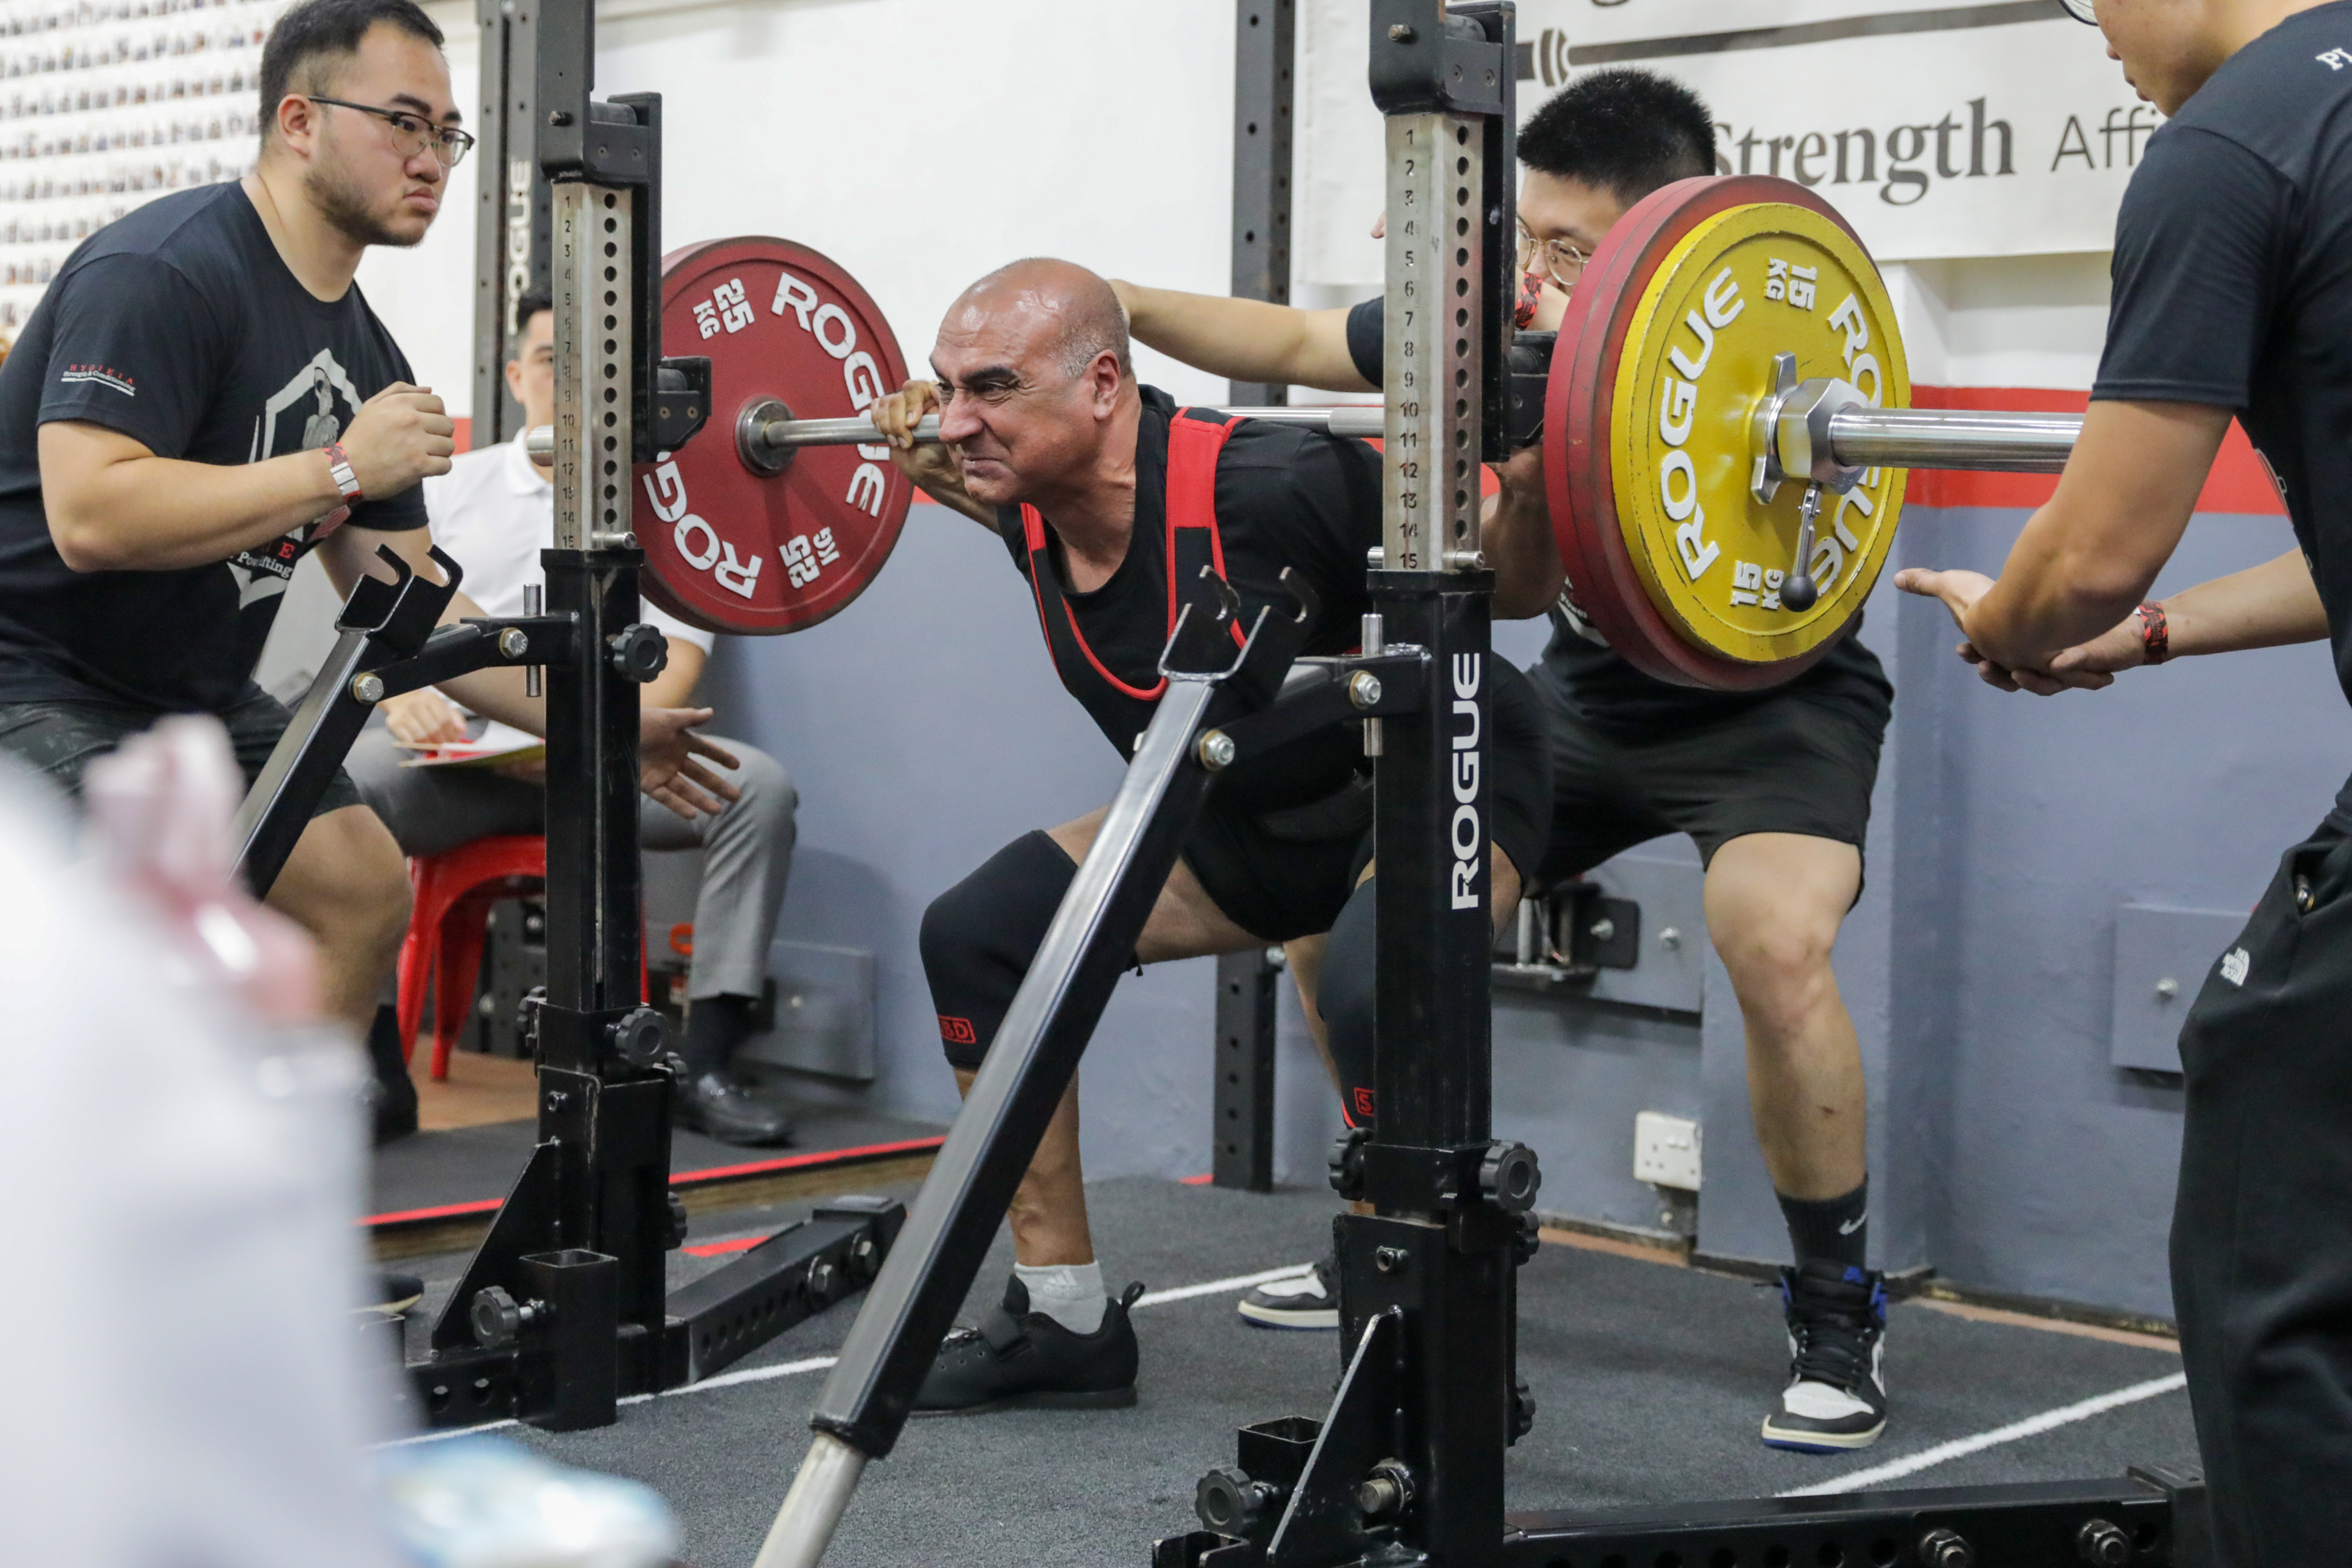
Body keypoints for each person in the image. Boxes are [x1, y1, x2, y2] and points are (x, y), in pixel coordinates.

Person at [1116, 67, 1901, 1454]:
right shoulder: (1503, 327)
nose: (1532, 280)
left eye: (1567, 252)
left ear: (1662, 237)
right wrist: (1110, 304)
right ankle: (1393, 1213)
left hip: (1770, 698)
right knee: (1349, 918)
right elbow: (1297, 344)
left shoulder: (1750, 335)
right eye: (1525, 242)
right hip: (1593, 695)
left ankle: (1836, 1305)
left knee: (1769, 941)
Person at [0, 0, 734, 1152]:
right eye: (403, 123)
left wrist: (600, 714)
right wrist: (338, 464)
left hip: (185, 694)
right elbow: (91, 512)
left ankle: (282, 1219)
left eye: (448, 133)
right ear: (298, 120)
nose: (431, 159)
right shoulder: (160, 275)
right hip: (29, 676)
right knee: (132, 930)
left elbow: (410, 595)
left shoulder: (363, 352)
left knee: (357, 886)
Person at [866, 257, 1551, 1415]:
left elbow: (1518, 591)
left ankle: (1435, 1355)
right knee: (981, 937)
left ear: (1099, 388)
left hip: (1435, 777)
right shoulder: (1016, 498)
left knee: (1374, 995)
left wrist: (1531, 480)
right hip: (1239, 812)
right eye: (941, 388)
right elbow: (949, 456)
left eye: (988, 386)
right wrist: (934, 439)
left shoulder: (1276, 482)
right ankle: (1067, 1317)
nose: (953, 419)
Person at [1898, 0, 2352, 1555]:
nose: (2093, 18)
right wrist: (2148, 643)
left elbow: (2089, 550)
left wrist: (2026, 627)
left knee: (2269, 1231)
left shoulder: (2229, 147)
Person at [347, 291, 800, 1147]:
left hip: (607, 768)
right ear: (517, 376)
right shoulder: (452, 492)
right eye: (556, 359)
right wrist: (402, 687)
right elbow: (386, 625)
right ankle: (373, 1065)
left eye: (600, 364)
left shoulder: (667, 510)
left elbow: (671, 686)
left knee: (760, 790)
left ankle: (706, 1058)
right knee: (343, 788)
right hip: (465, 772)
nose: (576, 380)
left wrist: (574, 738)